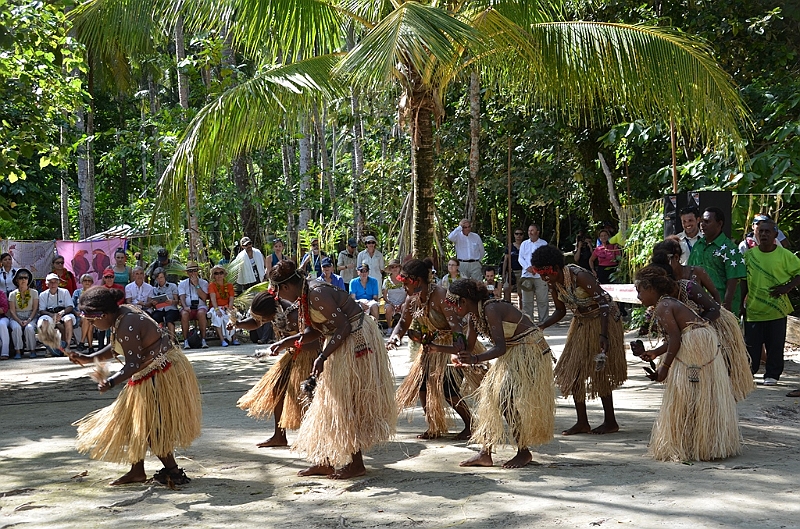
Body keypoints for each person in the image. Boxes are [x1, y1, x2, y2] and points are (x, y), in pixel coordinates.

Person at [267, 260, 395, 479]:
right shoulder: (305, 295)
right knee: (327, 403)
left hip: (355, 339)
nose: (278, 295)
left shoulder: (316, 293)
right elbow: (318, 330)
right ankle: (325, 461)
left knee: (345, 401)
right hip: (341, 339)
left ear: (286, 286)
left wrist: (323, 356)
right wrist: (286, 342)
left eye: (277, 290)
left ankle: (356, 464)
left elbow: (343, 326)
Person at [69, 287, 202, 486]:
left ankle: (174, 472)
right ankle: (137, 471)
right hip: (150, 370)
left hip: (161, 372)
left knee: (151, 426)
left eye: (92, 321)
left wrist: (110, 382)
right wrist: (89, 358)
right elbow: (120, 345)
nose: (92, 325)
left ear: (103, 314)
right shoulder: (122, 314)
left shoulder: (127, 323)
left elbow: (132, 364)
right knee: (133, 421)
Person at [631, 265, 740, 462]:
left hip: (696, 346)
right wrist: (655, 353)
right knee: (700, 391)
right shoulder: (667, 303)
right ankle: (702, 444)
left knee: (688, 390)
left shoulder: (664, 306)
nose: (638, 296)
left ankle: (694, 444)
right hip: (701, 341)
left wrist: (664, 368)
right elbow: (679, 335)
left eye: (639, 290)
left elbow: (676, 339)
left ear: (650, 288)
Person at [444, 279, 555, 468]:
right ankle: (485, 454)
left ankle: (523, 451)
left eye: (453, 303)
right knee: (488, 396)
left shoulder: (491, 309)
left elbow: (500, 348)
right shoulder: (474, 317)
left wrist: (475, 359)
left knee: (504, 397)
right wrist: (442, 350)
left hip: (530, 350)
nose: (453, 308)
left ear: (464, 301)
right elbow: (468, 348)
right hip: (513, 351)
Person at [532, 245, 626, 435]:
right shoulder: (553, 283)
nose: (544, 278)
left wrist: (604, 335)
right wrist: (541, 325)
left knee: (600, 370)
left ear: (556, 268)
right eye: (540, 274)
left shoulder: (579, 276)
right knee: (572, 371)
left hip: (604, 321)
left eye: (546, 273)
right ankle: (582, 422)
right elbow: (560, 311)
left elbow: (603, 303)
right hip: (581, 322)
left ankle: (610, 421)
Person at [391, 258, 485, 440]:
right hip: (431, 349)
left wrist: (459, 352)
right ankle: (433, 426)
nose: (403, 287)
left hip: (450, 347)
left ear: (417, 281)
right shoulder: (411, 299)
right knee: (422, 386)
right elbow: (403, 323)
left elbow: (457, 327)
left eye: (405, 282)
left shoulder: (441, 295)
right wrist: (396, 336)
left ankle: (470, 424)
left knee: (449, 390)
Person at [650, 242, 753, 401]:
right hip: (682, 331)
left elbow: (714, 300)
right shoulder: (663, 283)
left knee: (713, 365)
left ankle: (721, 393)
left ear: (676, 257)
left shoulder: (694, 275)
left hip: (706, 324)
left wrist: (701, 325)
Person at [234, 292, 318, 448]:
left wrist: (285, 344)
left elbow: (315, 340)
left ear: (269, 314)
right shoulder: (274, 310)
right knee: (277, 388)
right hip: (292, 355)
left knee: (308, 396)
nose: (261, 322)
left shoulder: (293, 314)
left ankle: (314, 438)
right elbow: (256, 322)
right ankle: (279, 436)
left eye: (262, 319)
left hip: (311, 356)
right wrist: (238, 324)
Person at [741, 218, 800, 390]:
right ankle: (749, 373)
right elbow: (743, 281)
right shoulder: (749, 256)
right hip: (754, 310)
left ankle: (772, 374)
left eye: (768, 231)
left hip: (777, 310)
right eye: (761, 231)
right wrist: (740, 305)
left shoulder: (785, 255)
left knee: (775, 345)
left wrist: (787, 287)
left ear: (775, 234)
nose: (764, 234)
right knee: (751, 346)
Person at [687, 207, 746, 313]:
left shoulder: (729, 248)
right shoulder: (698, 245)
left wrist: (726, 305)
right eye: (701, 221)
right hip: (699, 305)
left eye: (707, 222)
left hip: (722, 306)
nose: (702, 225)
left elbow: (733, 279)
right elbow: (690, 270)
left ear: (719, 224)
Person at [37, 272, 77, 355]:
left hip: (63, 313)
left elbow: (70, 306)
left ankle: (67, 346)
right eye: (50, 282)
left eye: (55, 282)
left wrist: (61, 313)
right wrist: (52, 315)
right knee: (43, 322)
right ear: (47, 284)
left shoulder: (65, 292)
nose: (53, 284)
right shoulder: (43, 295)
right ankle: (49, 347)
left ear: (58, 283)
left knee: (69, 320)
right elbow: (42, 310)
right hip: (49, 314)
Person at [518, 224, 550, 324]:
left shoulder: (543, 243)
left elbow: (546, 258)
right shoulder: (524, 244)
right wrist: (528, 267)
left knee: (542, 300)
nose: (530, 232)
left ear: (537, 232)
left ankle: (544, 321)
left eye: (532, 230)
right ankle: (529, 322)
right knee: (527, 301)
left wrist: (536, 268)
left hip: (540, 275)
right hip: (526, 275)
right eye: (529, 230)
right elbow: (520, 258)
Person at [178, 261, 209, 349]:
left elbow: (204, 297)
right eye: (190, 271)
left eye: (195, 270)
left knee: (201, 313)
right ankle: (186, 340)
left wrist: (196, 285)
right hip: (188, 307)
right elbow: (182, 298)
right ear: (187, 273)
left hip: (200, 306)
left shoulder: (204, 283)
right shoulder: (182, 284)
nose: (193, 273)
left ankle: (203, 339)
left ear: (197, 271)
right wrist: (185, 307)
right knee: (184, 314)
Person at [8, 268, 38, 359]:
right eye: (21, 278)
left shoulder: (34, 292)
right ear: (17, 280)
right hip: (16, 317)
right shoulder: (12, 294)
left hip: (30, 316)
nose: (23, 280)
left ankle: (32, 350)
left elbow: (35, 309)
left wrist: (28, 320)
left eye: (25, 278)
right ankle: (18, 351)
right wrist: (19, 321)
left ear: (28, 280)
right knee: (16, 328)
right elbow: (12, 311)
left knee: (29, 328)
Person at [208, 264, 238, 346]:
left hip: (227, 307)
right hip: (216, 307)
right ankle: (222, 340)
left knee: (232, 316)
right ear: (213, 276)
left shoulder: (229, 285)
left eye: (221, 273)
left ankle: (234, 338)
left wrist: (229, 309)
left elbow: (231, 298)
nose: (219, 275)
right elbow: (213, 299)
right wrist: (217, 310)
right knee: (218, 317)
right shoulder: (212, 285)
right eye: (216, 273)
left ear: (224, 274)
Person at [149, 267, 181, 342]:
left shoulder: (172, 286)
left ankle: (172, 341)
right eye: (158, 278)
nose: (160, 280)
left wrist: (172, 301)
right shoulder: (154, 289)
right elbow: (153, 303)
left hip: (171, 309)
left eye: (161, 277)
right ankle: (159, 341)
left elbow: (177, 301)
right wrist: (154, 303)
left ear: (165, 277)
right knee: (155, 318)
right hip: (160, 309)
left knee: (169, 318)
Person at [382, 259, 406, 334]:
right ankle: (389, 327)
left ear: (399, 268)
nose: (395, 268)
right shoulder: (387, 281)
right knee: (388, 308)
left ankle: (404, 328)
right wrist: (391, 304)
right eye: (392, 267)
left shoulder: (404, 279)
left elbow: (408, 293)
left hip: (403, 302)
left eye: (396, 266)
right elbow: (384, 296)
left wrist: (402, 303)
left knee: (405, 307)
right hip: (390, 302)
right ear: (390, 269)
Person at [73, 274, 96, 352]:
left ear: (92, 282)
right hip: (79, 315)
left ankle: (82, 343)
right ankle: (90, 347)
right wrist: (76, 312)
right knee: (88, 321)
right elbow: (72, 305)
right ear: (81, 282)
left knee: (88, 319)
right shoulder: (77, 292)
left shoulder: (95, 292)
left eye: (89, 281)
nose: (87, 282)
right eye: (85, 280)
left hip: (92, 315)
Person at [502, 228, 525, 305]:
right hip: (511, 271)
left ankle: (521, 309)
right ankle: (507, 307)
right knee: (506, 289)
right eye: (516, 234)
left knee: (521, 293)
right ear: (514, 235)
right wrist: (503, 273)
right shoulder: (510, 246)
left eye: (520, 234)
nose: (518, 236)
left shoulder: (525, 246)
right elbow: (505, 260)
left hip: (522, 271)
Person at [0, 288, 9, 360]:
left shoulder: (1, 293)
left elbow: (4, 309)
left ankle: (5, 353)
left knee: (2, 324)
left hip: (2, 317)